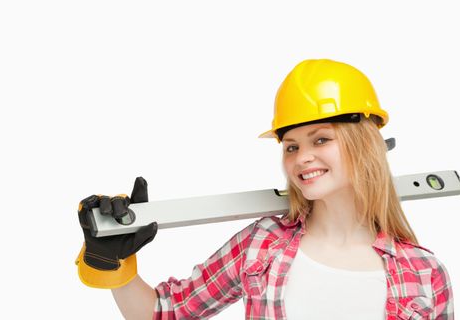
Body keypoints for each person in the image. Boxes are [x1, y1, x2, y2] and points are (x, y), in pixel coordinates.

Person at [75, 59, 454, 319]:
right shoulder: (262, 244)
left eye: (320, 140)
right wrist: (115, 266)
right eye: (291, 146)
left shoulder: (423, 271)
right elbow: (166, 312)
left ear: (366, 145)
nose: (302, 157)